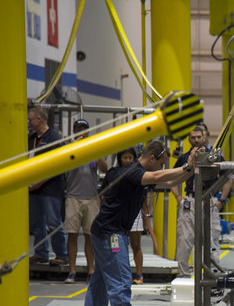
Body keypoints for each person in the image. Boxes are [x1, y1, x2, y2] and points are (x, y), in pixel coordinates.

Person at [78, 139, 198, 306]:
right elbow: (159, 175)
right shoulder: (132, 172)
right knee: (121, 281)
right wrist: (186, 166)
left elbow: (168, 182)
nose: (162, 167)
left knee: (100, 284)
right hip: (111, 235)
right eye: (161, 162)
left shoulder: (138, 176)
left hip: (106, 232)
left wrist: (191, 169)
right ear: (152, 158)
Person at [172, 124, 232, 277]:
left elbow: (228, 178)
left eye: (199, 137)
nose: (196, 140)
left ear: (205, 137)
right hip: (190, 202)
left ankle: (211, 275)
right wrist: (179, 198)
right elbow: (172, 178)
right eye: (193, 137)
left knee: (211, 239)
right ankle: (183, 275)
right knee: (185, 240)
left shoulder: (215, 157)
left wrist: (221, 201)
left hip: (210, 202)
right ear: (189, 139)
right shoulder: (185, 158)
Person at [64, 119, 108, 283]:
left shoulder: (94, 147)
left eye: (84, 129)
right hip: (73, 197)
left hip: (91, 198)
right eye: (79, 129)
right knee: (72, 235)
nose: (82, 132)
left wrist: (95, 152)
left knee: (90, 235)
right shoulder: (69, 148)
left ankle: (91, 270)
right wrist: (75, 146)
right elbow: (64, 163)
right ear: (74, 132)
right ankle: (72, 271)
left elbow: (104, 168)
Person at [27, 105, 68, 265]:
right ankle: (41, 253)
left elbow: (58, 166)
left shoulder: (54, 139)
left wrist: (39, 182)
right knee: (36, 223)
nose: (29, 122)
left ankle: (61, 255)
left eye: (31, 120)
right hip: (33, 189)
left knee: (53, 222)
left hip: (50, 189)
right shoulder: (32, 139)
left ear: (40, 119)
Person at [115, 147, 148, 285]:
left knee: (136, 244)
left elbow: (143, 196)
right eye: (125, 158)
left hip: (135, 213)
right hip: (118, 215)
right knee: (116, 246)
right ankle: (117, 273)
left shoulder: (139, 173)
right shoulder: (115, 174)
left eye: (130, 158)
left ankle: (139, 274)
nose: (128, 160)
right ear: (120, 159)